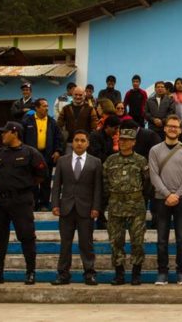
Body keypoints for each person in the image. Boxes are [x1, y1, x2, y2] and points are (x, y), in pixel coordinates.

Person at [0, 122, 46, 285]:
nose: (2, 135)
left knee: (26, 236)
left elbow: (41, 174)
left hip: (21, 200)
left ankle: (30, 272)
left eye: (5, 132)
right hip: (0, 201)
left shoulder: (30, 153)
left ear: (15, 133)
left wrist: (23, 185)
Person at [50, 130, 101, 286]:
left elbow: (98, 188)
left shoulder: (95, 162)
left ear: (87, 143)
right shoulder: (62, 161)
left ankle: (89, 273)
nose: (79, 143)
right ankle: (63, 274)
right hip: (66, 208)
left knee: (86, 243)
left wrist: (96, 207)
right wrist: (55, 204)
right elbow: (57, 185)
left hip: (86, 209)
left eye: (82, 140)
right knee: (65, 243)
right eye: (76, 140)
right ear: (72, 142)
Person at [149, 115, 182, 285]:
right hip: (161, 199)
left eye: (176, 127)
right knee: (162, 239)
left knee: (181, 239)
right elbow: (153, 175)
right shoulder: (155, 150)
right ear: (165, 128)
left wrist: (178, 194)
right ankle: (162, 273)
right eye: (170, 126)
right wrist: (167, 194)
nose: (173, 129)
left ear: (180, 130)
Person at [103, 127, 150, 285]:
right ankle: (119, 273)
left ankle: (136, 273)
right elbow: (104, 183)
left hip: (136, 207)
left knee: (137, 241)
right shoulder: (110, 161)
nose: (122, 142)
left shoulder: (141, 161)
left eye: (127, 140)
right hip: (115, 207)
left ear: (134, 142)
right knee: (116, 242)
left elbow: (147, 183)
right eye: (121, 139)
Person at [22, 98, 63, 212]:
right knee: (32, 180)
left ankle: (44, 204)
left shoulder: (52, 122)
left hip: (47, 155)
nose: (47, 108)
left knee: (46, 180)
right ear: (37, 108)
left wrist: (58, 151)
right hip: (31, 156)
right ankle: (33, 203)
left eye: (47, 106)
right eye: (44, 106)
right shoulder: (27, 121)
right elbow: (22, 138)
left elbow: (58, 138)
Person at [88, 115, 120, 230]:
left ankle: (101, 219)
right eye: (115, 128)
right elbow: (96, 154)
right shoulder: (95, 136)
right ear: (108, 127)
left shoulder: (109, 138)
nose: (116, 131)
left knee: (105, 196)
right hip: (94, 171)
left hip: (105, 171)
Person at [57, 86, 99, 155]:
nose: (78, 97)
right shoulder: (65, 109)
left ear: (84, 95)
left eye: (80, 95)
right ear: (72, 95)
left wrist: (88, 141)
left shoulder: (90, 109)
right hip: (69, 143)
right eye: (76, 94)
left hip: (85, 144)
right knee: (69, 164)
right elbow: (58, 125)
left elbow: (94, 128)